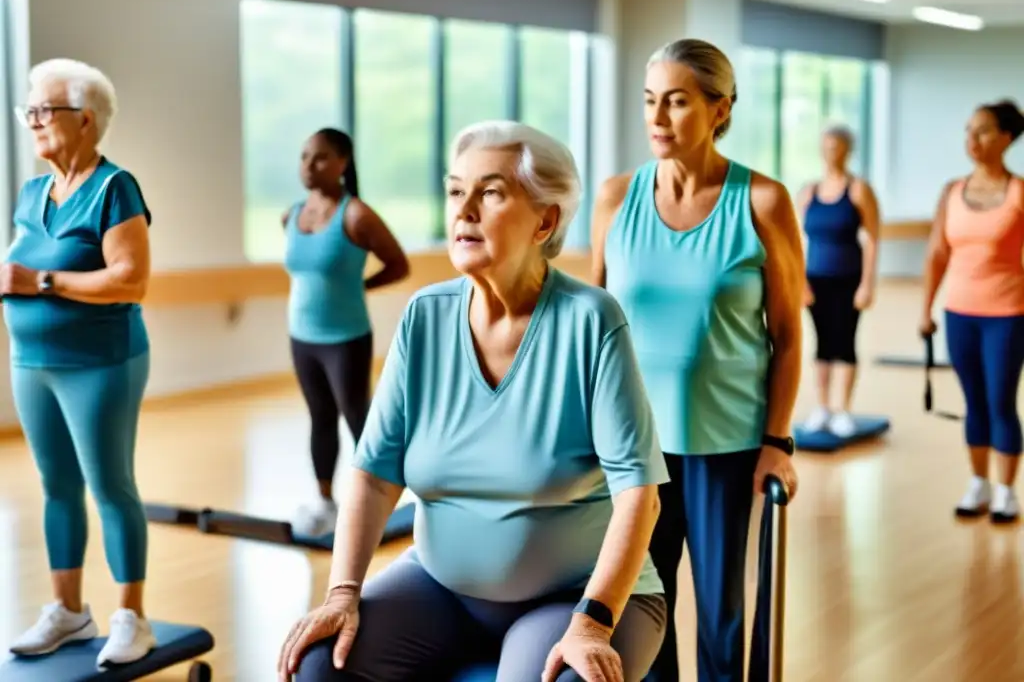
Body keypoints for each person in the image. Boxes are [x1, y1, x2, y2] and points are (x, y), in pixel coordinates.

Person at [277, 120, 669, 682]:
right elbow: (373, 475)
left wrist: (593, 622)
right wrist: (342, 593)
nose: (464, 211)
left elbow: (640, 497)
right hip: (440, 588)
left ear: (546, 219)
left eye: (489, 192)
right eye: (456, 190)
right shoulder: (425, 317)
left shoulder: (591, 321)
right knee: (318, 665)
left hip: (576, 596)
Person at [592, 38, 803, 682]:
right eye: (650, 101)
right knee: (643, 606)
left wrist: (778, 441)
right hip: (634, 449)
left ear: (720, 110)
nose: (658, 118)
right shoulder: (615, 198)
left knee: (720, 615)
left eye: (677, 102)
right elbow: (591, 325)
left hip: (727, 445)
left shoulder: (762, 202)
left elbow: (789, 335)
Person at [2, 59, 156, 666]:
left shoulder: (115, 188)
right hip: (31, 362)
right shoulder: (32, 192)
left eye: (44, 110)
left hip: (100, 363)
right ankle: (67, 610)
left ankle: (131, 618)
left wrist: (41, 282)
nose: (33, 121)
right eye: (29, 111)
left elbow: (130, 280)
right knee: (55, 487)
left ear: (84, 121)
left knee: (111, 486)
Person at [283, 128, 409, 537]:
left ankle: (378, 498)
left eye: (319, 157)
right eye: (304, 156)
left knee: (360, 419)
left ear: (343, 163)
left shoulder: (356, 215)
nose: (308, 165)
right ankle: (324, 500)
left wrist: (361, 288)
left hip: (346, 338)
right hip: (302, 337)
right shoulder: (291, 215)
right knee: (319, 417)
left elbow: (398, 264)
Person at [920, 99, 1024, 523]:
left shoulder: (1019, 193)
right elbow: (936, 254)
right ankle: (978, 483)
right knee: (974, 401)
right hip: (959, 313)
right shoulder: (951, 192)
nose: (972, 140)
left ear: (1005, 138)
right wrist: (925, 308)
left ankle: (1005, 491)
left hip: (1008, 314)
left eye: (981, 131)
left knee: (1001, 401)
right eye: (968, 131)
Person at [796, 124, 880, 437]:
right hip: (815, 279)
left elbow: (872, 238)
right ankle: (823, 408)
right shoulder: (808, 192)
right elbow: (795, 241)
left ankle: (843, 409)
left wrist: (867, 284)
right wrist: (799, 281)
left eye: (836, 146)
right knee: (822, 343)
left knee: (845, 342)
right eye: (826, 146)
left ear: (847, 150)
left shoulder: (858, 190)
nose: (831, 152)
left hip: (849, 278)